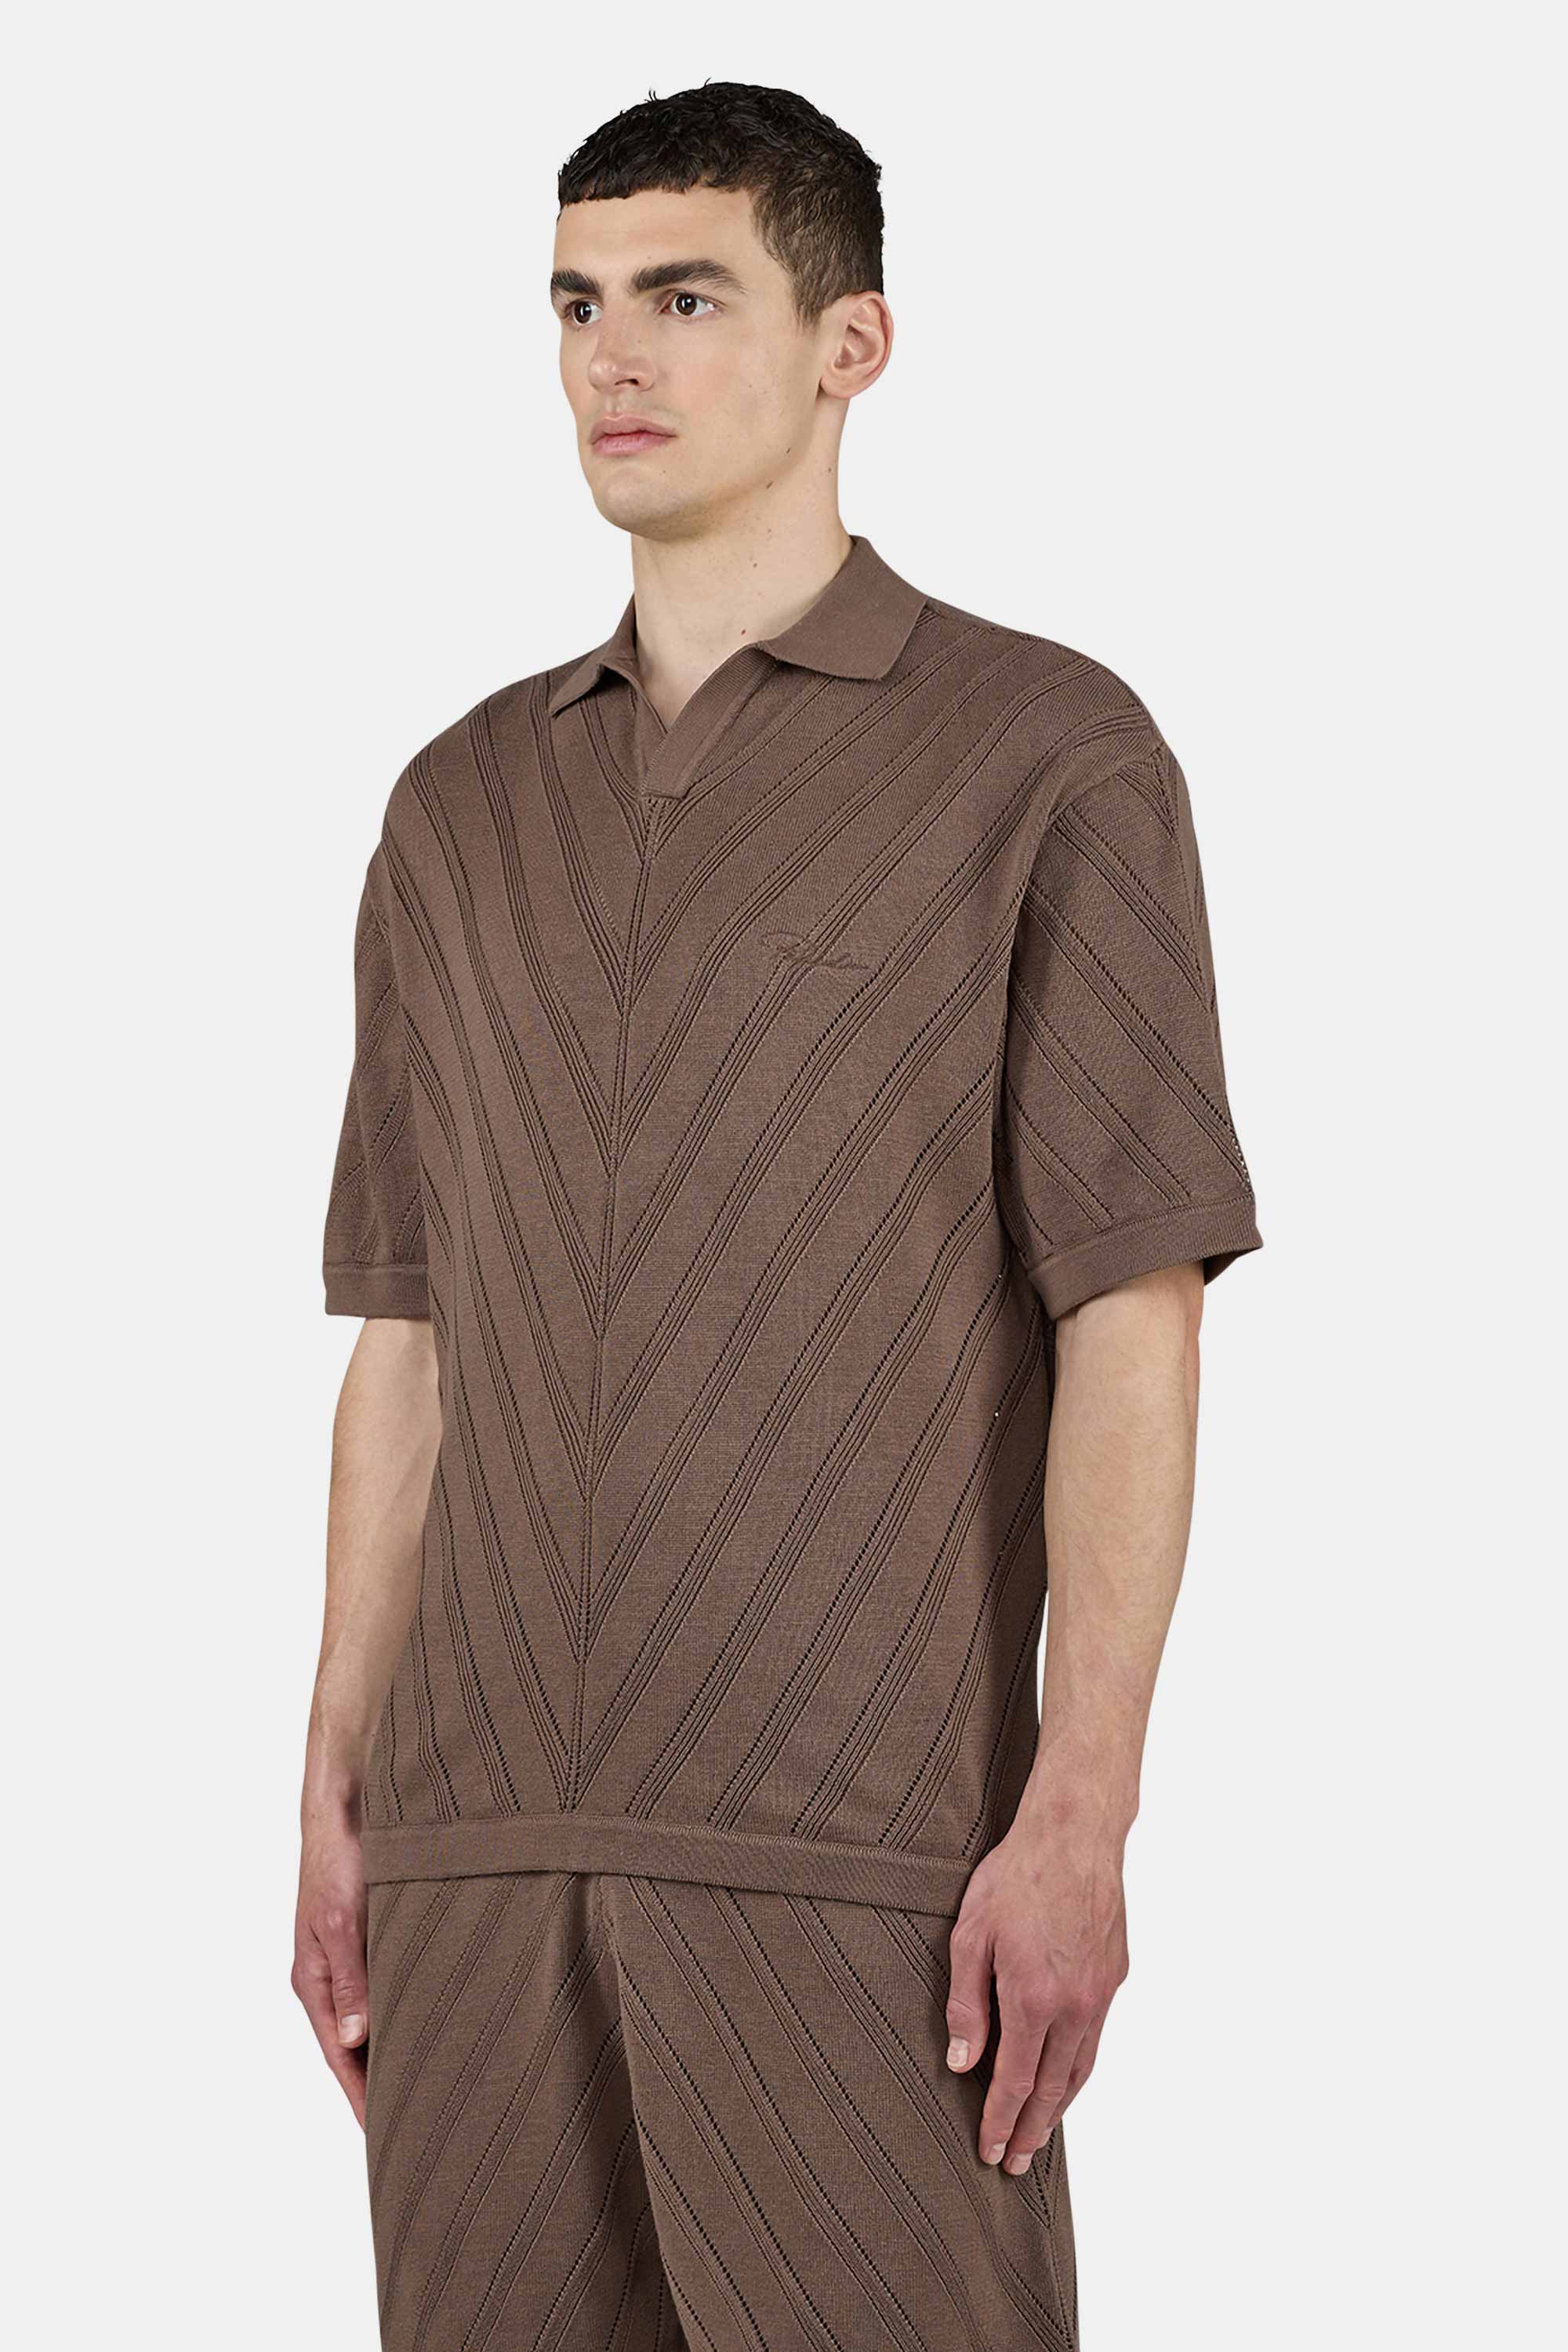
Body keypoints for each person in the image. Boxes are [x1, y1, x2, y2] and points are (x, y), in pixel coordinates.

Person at [295, 79, 1261, 2352]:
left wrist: (1084, 1813)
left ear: (854, 344)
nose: (611, 359)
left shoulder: (1045, 757)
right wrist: (334, 1789)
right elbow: (408, 1341)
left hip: (858, 1869)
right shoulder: (458, 806)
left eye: (684, 297)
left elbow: (1131, 1310)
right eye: (575, 306)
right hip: (475, 1863)